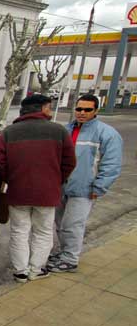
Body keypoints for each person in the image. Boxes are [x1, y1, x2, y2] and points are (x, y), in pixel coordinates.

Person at [0, 94, 76, 283]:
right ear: (43, 108)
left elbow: (1, 162)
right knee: (43, 231)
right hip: (47, 193)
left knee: (19, 231)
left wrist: (12, 179)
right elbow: (70, 162)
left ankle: (20, 271)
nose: (50, 110)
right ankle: (36, 269)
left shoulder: (9, 132)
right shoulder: (59, 131)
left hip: (18, 191)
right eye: (49, 107)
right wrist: (56, 180)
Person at [48, 94, 123, 273]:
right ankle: (63, 252)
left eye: (87, 109)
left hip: (84, 189)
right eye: (79, 109)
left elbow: (111, 163)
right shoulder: (66, 130)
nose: (82, 113)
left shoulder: (107, 134)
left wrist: (99, 187)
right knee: (60, 224)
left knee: (73, 225)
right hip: (62, 186)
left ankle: (70, 259)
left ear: (96, 111)